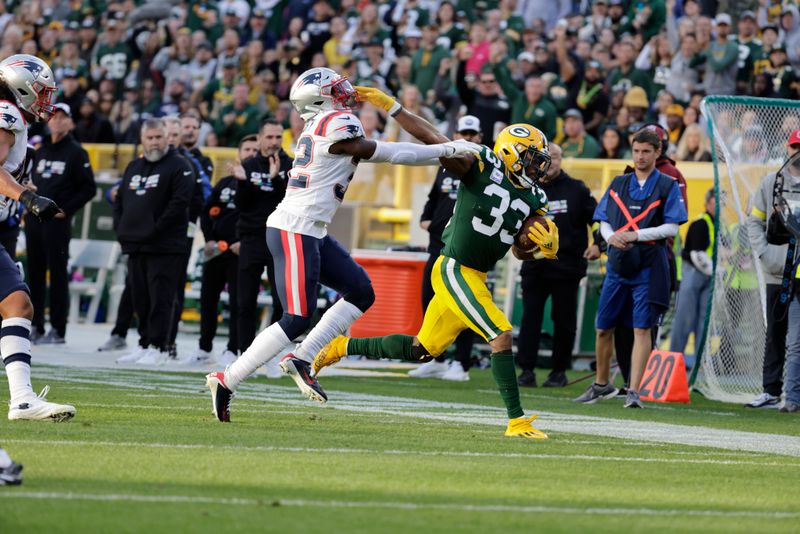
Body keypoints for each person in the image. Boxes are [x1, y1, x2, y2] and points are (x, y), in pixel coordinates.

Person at [205, 67, 479, 422]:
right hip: (295, 228)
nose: (346, 91)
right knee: (295, 318)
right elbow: (390, 153)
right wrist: (449, 147)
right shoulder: (335, 124)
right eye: (336, 88)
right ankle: (228, 378)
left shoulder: (323, 122)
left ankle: (302, 358)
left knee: (361, 291)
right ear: (320, 98)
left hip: (311, 228)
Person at [313, 113, 558, 440]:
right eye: (530, 159)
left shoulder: (535, 197)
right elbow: (437, 143)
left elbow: (517, 251)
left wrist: (537, 248)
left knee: (422, 348)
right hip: (454, 268)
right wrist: (396, 108)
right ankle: (517, 420)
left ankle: (341, 346)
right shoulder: (483, 166)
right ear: (511, 154)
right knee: (500, 335)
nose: (536, 167)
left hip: (477, 274)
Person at [575, 128, 687, 408]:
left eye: (646, 151)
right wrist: (612, 236)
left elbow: (672, 226)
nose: (640, 156)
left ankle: (634, 390)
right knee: (603, 327)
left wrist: (635, 235)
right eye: (636, 151)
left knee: (641, 329)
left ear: (657, 153)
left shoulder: (667, 184)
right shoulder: (619, 182)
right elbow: (602, 219)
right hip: (618, 262)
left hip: (649, 264)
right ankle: (602, 384)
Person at [0, 54, 76, 421]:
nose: (45, 100)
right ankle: (23, 399)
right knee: (17, 304)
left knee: (16, 304)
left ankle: (23, 398)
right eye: (41, 92)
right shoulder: (7, 114)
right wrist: (27, 197)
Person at [113, 118, 194, 365]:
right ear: (142, 140)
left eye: (159, 137)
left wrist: (154, 229)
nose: (155, 142)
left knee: (161, 297)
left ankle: (159, 347)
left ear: (166, 138)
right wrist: (122, 230)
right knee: (140, 297)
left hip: (166, 246)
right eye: (150, 138)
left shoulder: (180, 166)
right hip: (136, 244)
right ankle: (144, 342)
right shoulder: (133, 166)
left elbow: (179, 204)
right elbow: (121, 202)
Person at [516, 143, 598, 388]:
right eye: (544, 159)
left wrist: (599, 244)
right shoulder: (527, 189)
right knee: (530, 319)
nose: (549, 163)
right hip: (534, 265)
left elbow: (597, 219)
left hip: (567, 267)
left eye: (553, 158)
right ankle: (526, 371)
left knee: (564, 321)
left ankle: (559, 371)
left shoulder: (577, 189)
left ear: (561, 160)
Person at [410, 115, 482, 382]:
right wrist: (425, 218)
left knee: (462, 306)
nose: (468, 138)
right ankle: (435, 358)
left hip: (464, 250)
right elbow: (433, 197)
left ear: (480, 138)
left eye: (472, 134)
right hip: (437, 246)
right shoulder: (445, 165)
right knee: (429, 301)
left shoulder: (482, 169)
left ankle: (461, 363)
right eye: (463, 133)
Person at [182, 134, 259, 366]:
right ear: (239, 153)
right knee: (208, 300)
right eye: (247, 149)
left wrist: (246, 242)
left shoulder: (262, 184)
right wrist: (209, 239)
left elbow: (264, 217)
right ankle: (204, 348)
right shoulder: (224, 183)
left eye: (255, 150)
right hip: (216, 251)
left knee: (239, 302)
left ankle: (233, 349)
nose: (251, 154)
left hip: (241, 252)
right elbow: (207, 211)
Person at [26, 103, 95, 344]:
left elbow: (89, 189)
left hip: (56, 224)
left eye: (62, 117)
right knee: (34, 275)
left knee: (57, 276)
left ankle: (58, 329)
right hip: (34, 220)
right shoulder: (40, 149)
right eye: (53, 116)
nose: (56, 120)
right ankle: (36, 326)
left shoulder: (76, 152)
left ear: (71, 123)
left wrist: (66, 210)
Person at [744, 131, 800, 409]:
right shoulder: (771, 182)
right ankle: (771, 389)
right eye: (795, 146)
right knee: (776, 331)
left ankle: (794, 392)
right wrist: (765, 254)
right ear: (787, 147)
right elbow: (754, 221)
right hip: (777, 269)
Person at [235, 118, 289, 361]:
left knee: (281, 302)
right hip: (253, 240)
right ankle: (244, 354)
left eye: (278, 137)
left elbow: (289, 201)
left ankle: (270, 355)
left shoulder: (292, 164)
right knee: (245, 300)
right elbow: (241, 205)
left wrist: (276, 178)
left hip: (279, 240)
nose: (274, 142)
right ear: (259, 139)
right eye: (269, 137)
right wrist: (244, 182)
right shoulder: (248, 165)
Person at [669, 188, 715, 361]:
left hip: (707, 277)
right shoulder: (700, 223)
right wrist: (715, 270)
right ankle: (673, 361)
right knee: (684, 321)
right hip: (693, 275)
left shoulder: (716, 224)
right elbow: (696, 254)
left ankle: (699, 366)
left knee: (703, 323)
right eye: (714, 202)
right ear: (707, 203)